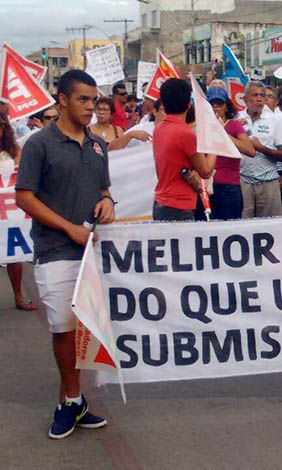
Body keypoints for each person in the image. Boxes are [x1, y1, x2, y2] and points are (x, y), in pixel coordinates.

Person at [16, 69, 113, 439]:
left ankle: (71, 402)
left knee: (85, 329)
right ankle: (72, 398)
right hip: (55, 249)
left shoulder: (97, 145)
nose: (91, 106)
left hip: (92, 251)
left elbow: (103, 188)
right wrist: (68, 227)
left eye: (94, 99)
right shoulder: (40, 144)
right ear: (62, 101)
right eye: (83, 100)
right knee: (62, 327)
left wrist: (107, 202)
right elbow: (25, 196)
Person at [152, 78, 217, 221]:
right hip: (179, 204)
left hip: (161, 200)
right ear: (189, 104)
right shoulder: (186, 134)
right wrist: (214, 146)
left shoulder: (158, 130)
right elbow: (206, 171)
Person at [0, 111, 37, 311]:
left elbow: (22, 174)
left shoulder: (14, 151)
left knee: (13, 254)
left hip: (8, 211)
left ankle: (18, 295)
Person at [239, 81, 282, 218]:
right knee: (242, 228)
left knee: (271, 229)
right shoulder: (236, 119)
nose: (259, 99)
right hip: (243, 182)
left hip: (268, 183)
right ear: (245, 99)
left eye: (262, 96)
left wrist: (261, 148)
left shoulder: (275, 120)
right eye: (255, 95)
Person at [208, 87, 254, 220]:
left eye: (219, 104)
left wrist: (223, 133)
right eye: (212, 104)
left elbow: (250, 150)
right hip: (208, 187)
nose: (215, 108)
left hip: (229, 186)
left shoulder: (234, 125)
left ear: (226, 107)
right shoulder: (202, 126)